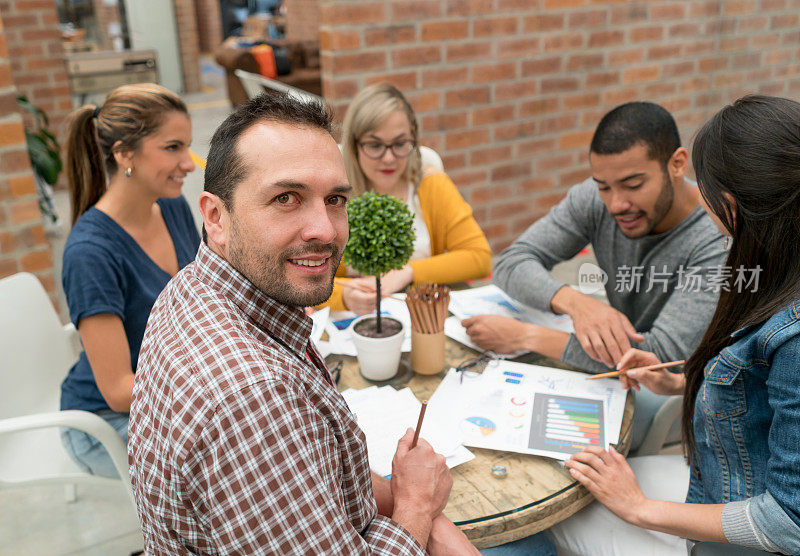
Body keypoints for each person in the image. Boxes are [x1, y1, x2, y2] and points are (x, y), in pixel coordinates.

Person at [128, 93, 486, 554]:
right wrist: (416, 504)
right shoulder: (253, 399)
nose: (326, 228)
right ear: (216, 217)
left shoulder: (190, 289)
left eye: (335, 199)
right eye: (286, 198)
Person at [549, 95, 800, 555]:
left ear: (730, 202)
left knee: (559, 519)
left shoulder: (790, 328)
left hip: (737, 537)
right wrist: (680, 382)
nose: (616, 202)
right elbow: (767, 393)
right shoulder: (774, 273)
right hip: (719, 476)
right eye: (605, 188)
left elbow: (789, 521)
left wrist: (638, 507)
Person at [463, 102, 726, 448]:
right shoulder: (595, 199)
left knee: (542, 436)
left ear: (677, 164)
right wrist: (575, 303)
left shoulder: (716, 239)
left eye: (633, 184)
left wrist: (526, 337)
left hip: (679, 396)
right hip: (611, 372)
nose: (616, 203)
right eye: (604, 186)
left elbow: (656, 358)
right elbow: (512, 262)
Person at [59, 83, 199, 478]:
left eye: (186, 147)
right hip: (103, 423)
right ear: (124, 154)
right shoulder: (90, 252)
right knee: (235, 461)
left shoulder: (172, 208)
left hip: (168, 393)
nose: (188, 163)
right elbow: (119, 389)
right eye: (172, 148)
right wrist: (213, 385)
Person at [322, 82, 491, 313]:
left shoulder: (431, 184)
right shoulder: (330, 195)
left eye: (400, 144)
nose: (389, 158)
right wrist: (344, 296)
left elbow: (479, 258)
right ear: (354, 145)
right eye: (375, 145)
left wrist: (407, 272)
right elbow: (300, 279)